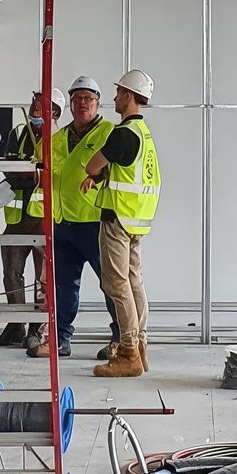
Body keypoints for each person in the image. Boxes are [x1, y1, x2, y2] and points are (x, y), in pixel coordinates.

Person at [27, 75, 120, 361]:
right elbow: (43, 170)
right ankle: (59, 340)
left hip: (95, 222)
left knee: (112, 284)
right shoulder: (58, 138)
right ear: (69, 103)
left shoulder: (108, 133)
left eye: (88, 98)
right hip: (64, 222)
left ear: (98, 103)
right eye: (77, 98)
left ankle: (121, 340)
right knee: (64, 287)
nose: (82, 104)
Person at [83, 69, 160, 379]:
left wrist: (95, 173)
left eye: (117, 93)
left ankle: (128, 353)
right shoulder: (145, 135)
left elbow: (92, 164)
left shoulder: (122, 134)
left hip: (117, 219)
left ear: (129, 96)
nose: (113, 98)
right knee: (133, 282)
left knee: (116, 284)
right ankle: (140, 347)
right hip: (136, 220)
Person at [0, 92, 60, 349]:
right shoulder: (18, 134)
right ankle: (16, 323)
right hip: (18, 217)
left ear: (54, 113)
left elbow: (49, 175)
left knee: (44, 277)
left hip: (44, 218)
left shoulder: (58, 138)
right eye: (34, 103)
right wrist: (29, 174)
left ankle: (37, 326)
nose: (35, 109)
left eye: (42, 106)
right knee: (11, 269)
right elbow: (8, 169)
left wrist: (29, 175)